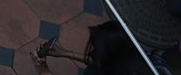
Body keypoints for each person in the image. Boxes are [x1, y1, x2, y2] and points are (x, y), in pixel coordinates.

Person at [31, 21, 168, 74]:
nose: (92, 51)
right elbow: (107, 64)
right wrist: (67, 53)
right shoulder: (140, 59)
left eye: (96, 48)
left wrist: (44, 71)